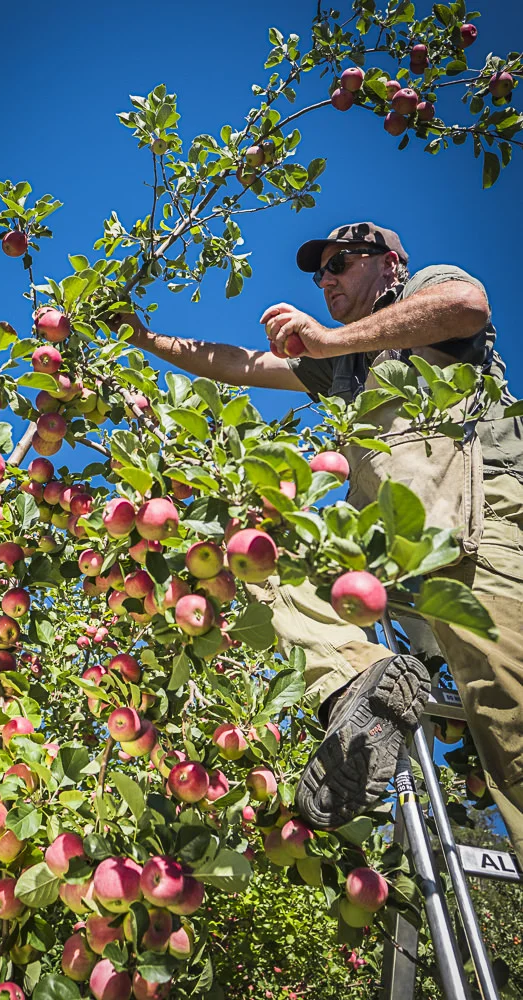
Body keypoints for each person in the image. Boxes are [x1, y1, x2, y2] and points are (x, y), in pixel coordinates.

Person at [114, 221, 523, 864]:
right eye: (318, 271)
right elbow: (238, 365)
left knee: (514, 746)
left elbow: (466, 306)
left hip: (480, 539)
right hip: (392, 569)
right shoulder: (343, 371)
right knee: (256, 557)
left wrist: (329, 338)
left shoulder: (425, 289)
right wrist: (145, 338)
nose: (325, 278)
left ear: (388, 264)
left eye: (339, 262)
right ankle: (364, 681)